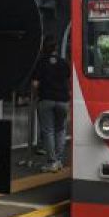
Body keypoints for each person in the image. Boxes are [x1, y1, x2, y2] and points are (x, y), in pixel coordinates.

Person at [31, 35, 70, 172]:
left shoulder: (41, 63)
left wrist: (35, 97)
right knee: (60, 130)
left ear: (44, 48)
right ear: (56, 48)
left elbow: (35, 84)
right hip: (63, 100)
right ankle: (59, 161)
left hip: (46, 99)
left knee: (48, 131)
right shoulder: (64, 63)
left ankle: (51, 162)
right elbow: (68, 81)